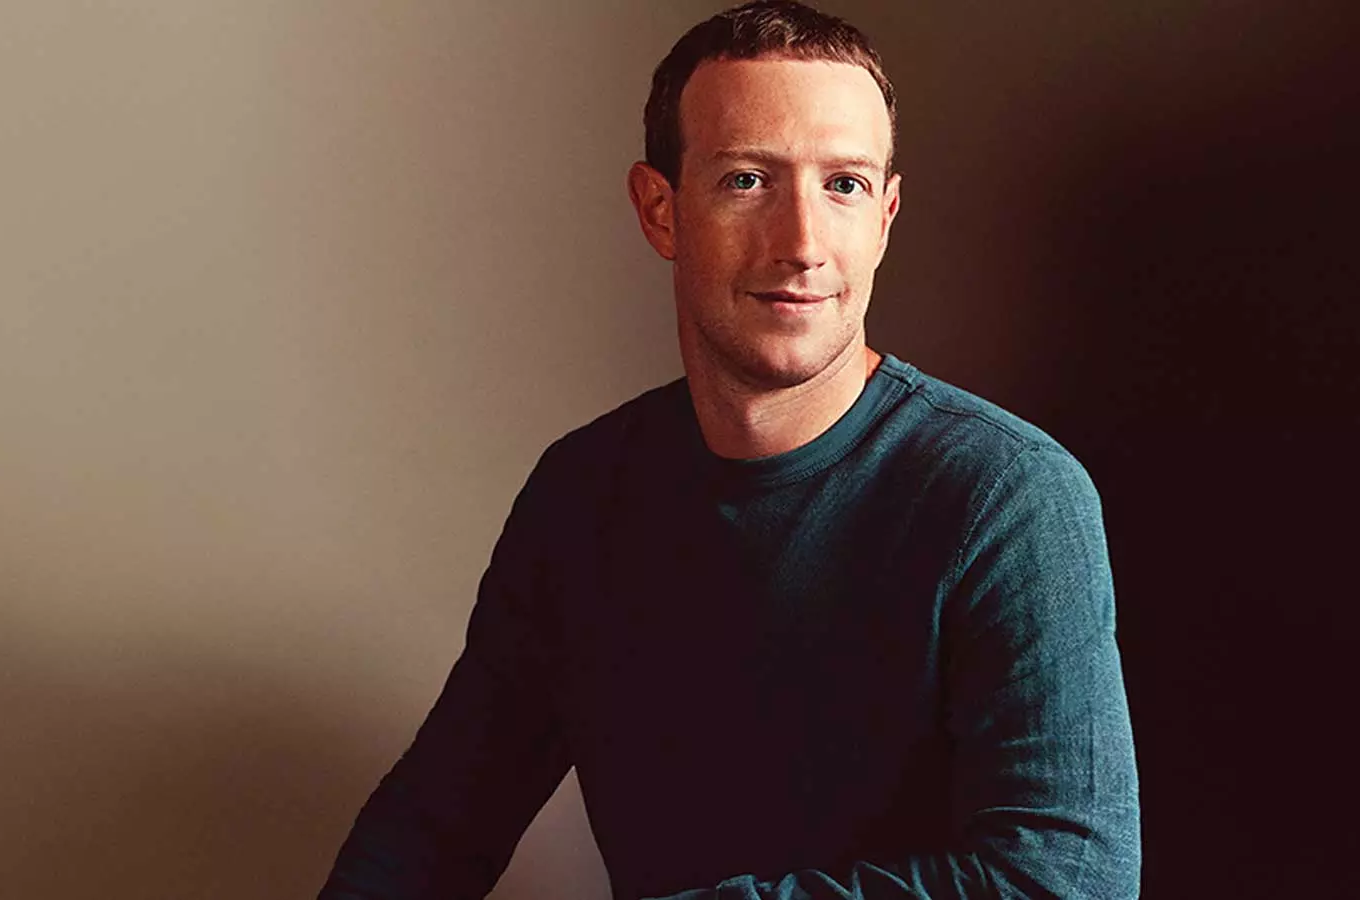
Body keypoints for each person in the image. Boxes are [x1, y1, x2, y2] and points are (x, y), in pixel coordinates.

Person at [318, 2, 1141, 897]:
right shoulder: (582, 497)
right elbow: (431, 830)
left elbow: (1069, 881)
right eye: (748, 180)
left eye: (844, 185)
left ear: (885, 217)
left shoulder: (1008, 496)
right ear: (660, 211)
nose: (802, 244)